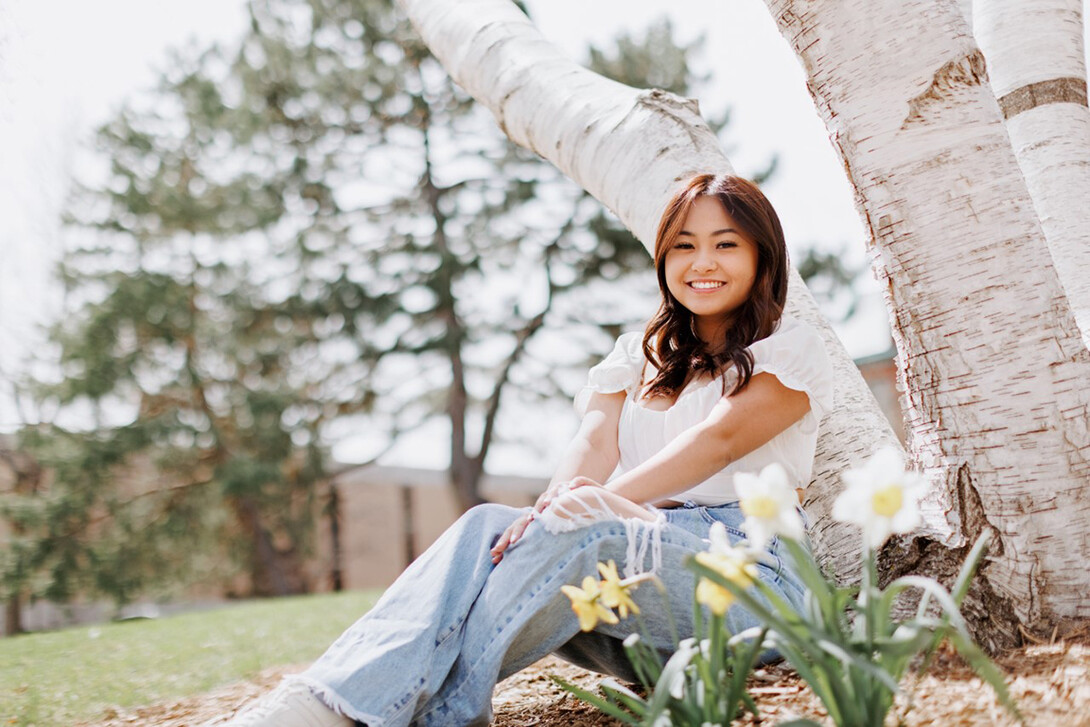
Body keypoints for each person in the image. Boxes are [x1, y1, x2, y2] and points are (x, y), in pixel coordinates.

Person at [209, 173, 833, 727]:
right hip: (636, 594)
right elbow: (591, 443)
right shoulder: (635, 357)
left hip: (752, 581)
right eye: (684, 245)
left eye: (726, 244)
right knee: (489, 524)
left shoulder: (790, 352)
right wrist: (550, 510)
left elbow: (715, 443)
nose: (704, 261)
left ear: (761, 256)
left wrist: (599, 505)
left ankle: (426, 716)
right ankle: (323, 701)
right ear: (662, 258)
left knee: (587, 529)